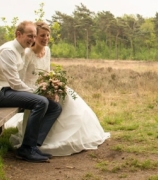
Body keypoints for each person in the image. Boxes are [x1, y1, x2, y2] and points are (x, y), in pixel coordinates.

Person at [8, 21, 110, 156]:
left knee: (67, 96)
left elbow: (47, 72)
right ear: (35, 37)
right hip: (30, 89)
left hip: (44, 85)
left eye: (47, 36)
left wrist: (53, 85)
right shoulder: (27, 53)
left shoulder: (47, 50)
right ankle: (39, 142)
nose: (45, 39)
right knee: (53, 104)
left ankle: (75, 134)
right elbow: (21, 79)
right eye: (42, 36)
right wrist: (41, 91)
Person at [0, 21, 62, 163]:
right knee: (41, 102)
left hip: (9, 91)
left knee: (55, 107)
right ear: (18, 34)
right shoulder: (8, 51)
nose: (32, 39)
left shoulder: (20, 50)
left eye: (34, 36)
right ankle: (26, 149)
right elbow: (15, 83)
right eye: (29, 36)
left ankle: (34, 146)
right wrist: (37, 92)